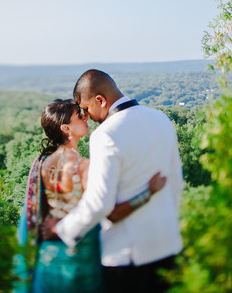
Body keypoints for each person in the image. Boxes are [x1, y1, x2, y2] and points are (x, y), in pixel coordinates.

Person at [42, 70, 184, 293]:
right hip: (168, 245)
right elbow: (175, 182)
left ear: (100, 100)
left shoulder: (106, 135)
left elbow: (100, 203)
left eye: (87, 108)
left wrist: (62, 230)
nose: (88, 116)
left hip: (128, 257)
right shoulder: (161, 118)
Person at [16, 99, 167, 293]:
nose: (85, 116)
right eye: (79, 116)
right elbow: (109, 212)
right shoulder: (84, 167)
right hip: (80, 261)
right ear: (65, 128)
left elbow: (41, 213)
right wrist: (148, 193)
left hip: (48, 258)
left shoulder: (42, 163)